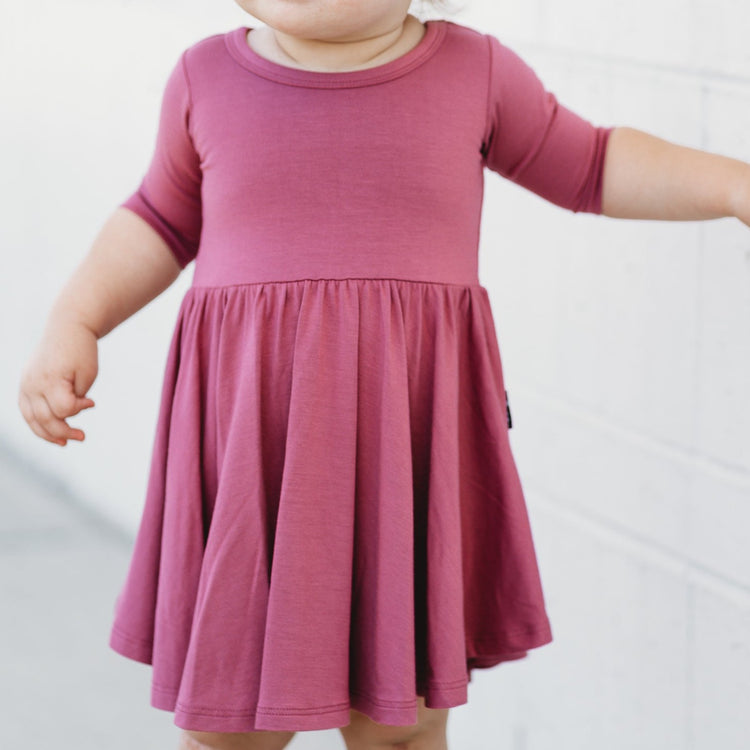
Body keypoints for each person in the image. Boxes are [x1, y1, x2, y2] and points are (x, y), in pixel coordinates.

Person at [16, 1, 750, 749]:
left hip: (403, 454)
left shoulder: (474, 72)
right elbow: (160, 217)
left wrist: (732, 185)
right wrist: (78, 318)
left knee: (400, 725)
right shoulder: (204, 78)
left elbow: (590, 164)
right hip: (256, 459)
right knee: (232, 727)